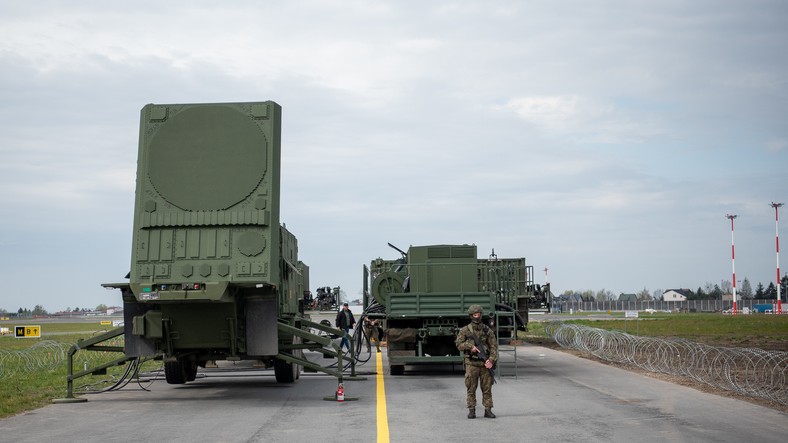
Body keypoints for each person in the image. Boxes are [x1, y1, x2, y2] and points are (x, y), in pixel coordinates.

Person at [455, 304, 498, 419]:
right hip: (471, 363)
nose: (477, 316)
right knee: (471, 388)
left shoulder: (487, 330)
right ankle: (472, 410)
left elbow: (494, 346)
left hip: (484, 364)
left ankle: (488, 410)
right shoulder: (465, 330)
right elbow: (458, 344)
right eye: (474, 314)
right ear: (471, 315)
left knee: (487, 388)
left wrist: (491, 360)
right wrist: (470, 346)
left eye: (478, 314)